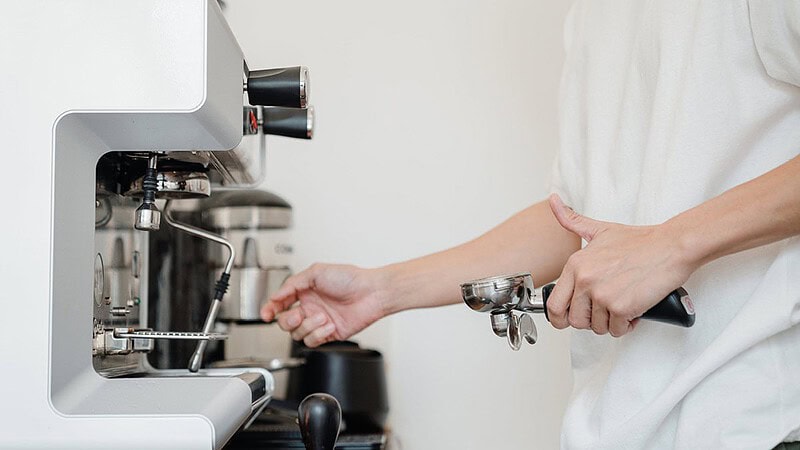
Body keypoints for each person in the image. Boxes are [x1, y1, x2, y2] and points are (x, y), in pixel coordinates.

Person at [261, 2, 800, 449]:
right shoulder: (591, 14)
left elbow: (646, 243)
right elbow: (575, 219)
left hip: (751, 423)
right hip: (616, 427)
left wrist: (673, 246)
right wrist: (382, 291)